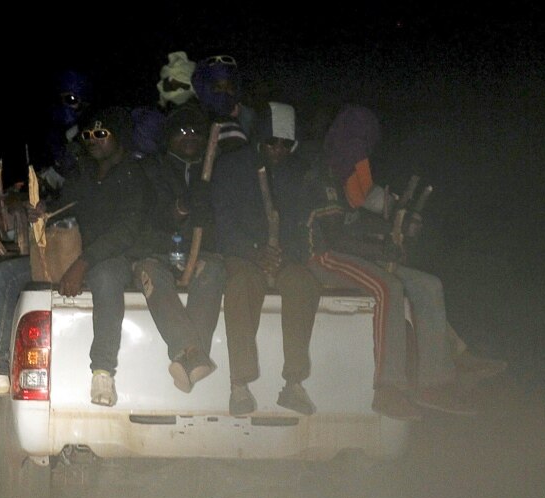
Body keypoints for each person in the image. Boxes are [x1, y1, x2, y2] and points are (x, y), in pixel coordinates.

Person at [0, 107, 149, 407]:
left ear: (120, 137)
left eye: (101, 134)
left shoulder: (135, 175)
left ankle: (103, 370)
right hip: (74, 255)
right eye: (88, 134)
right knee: (3, 275)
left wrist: (83, 263)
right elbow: (63, 208)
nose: (92, 139)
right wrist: (41, 211)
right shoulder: (85, 177)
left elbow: (126, 233)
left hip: (114, 257)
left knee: (106, 278)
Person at [305, 104, 475, 420]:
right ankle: (388, 388)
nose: (362, 148)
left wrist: (393, 231)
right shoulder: (321, 172)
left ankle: (434, 382)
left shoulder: (348, 173)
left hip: (351, 254)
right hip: (322, 257)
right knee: (388, 287)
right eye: (358, 140)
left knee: (428, 285)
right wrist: (381, 249)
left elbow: (357, 220)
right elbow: (334, 239)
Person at [210, 101, 321, 416]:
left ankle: (294, 383)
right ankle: (240, 385)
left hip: (280, 256)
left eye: (286, 144)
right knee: (242, 285)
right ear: (260, 140)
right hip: (243, 253)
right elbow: (223, 220)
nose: (278, 149)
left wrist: (284, 255)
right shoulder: (232, 166)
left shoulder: (297, 172)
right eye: (272, 142)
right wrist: (254, 252)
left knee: (303, 283)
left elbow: (302, 224)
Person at [136, 104, 226, 393]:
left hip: (199, 254)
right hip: (157, 253)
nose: (190, 137)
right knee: (150, 273)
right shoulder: (151, 169)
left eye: (196, 132)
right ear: (169, 137)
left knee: (213, 270)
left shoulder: (214, 169)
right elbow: (147, 218)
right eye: (182, 131)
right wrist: (182, 207)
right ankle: (193, 353)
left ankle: (186, 358)